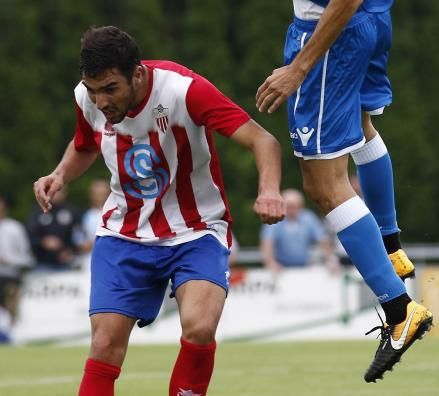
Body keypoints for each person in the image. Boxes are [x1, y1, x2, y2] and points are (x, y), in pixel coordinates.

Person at [205, 0, 432, 382]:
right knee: (359, 130)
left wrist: (299, 68)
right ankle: (391, 246)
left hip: (330, 26)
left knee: (323, 181)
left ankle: (398, 308)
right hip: (369, 7)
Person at [33, 25, 284, 396]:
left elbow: (263, 140)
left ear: (137, 74)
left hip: (196, 229)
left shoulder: (184, 90)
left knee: (199, 327)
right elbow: (85, 144)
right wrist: (60, 174)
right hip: (123, 232)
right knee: (104, 346)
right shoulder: (87, 98)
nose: (101, 102)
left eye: (110, 89)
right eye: (93, 91)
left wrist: (269, 190)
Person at [260, 188, 339, 272]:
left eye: (295, 207)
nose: (292, 210)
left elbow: (323, 240)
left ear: (301, 206)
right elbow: (267, 243)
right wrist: (270, 262)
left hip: (305, 266)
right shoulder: (275, 218)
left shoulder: (308, 218)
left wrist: (331, 259)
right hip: (280, 268)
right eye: (289, 206)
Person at [0, 196, 34, 341]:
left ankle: (10, 340)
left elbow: (27, 258)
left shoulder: (15, 228)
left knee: (11, 313)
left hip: (9, 278)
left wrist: (9, 261)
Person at [26, 186, 82, 270]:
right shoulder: (38, 211)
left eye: (59, 191)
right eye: (53, 191)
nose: (56, 194)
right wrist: (43, 242)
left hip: (67, 264)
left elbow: (79, 237)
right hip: (42, 263)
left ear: (65, 193)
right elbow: (29, 235)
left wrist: (69, 250)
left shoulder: (73, 212)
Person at [79, 179, 112, 254]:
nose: (99, 197)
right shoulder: (83, 214)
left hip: (108, 257)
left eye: (102, 194)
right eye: (96, 194)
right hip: (86, 259)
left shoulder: (114, 215)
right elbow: (78, 238)